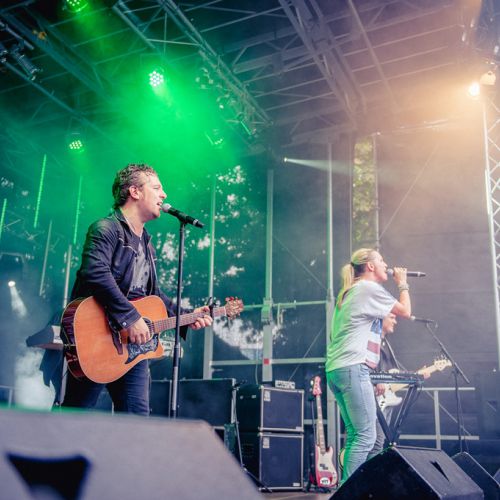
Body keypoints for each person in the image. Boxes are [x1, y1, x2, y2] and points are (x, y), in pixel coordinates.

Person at [61, 163, 213, 415]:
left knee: (137, 419)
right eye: (157, 188)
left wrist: (187, 316)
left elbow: (153, 296)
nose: (164, 194)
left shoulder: (147, 244)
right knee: (75, 415)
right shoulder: (106, 229)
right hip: (98, 336)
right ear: (135, 191)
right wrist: (130, 318)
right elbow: (95, 273)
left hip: (134, 346)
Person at [325, 248, 411, 483]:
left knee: (360, 436)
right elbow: (405, 311)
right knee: (365, 437)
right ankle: (347, 492)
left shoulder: (351, 291)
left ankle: (363, 489)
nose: (386, 264)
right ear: (370, 266)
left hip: (338, 369)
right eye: (381, 260)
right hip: (352, 368)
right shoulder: (367, 288)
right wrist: (403, 283)